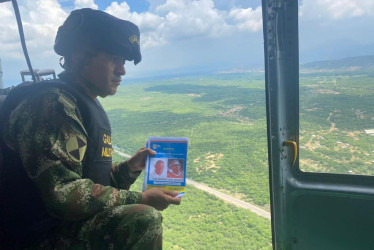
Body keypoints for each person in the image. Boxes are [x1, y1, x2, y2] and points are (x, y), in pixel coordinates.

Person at [0, 8, 180, 249]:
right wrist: (143, 198)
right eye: (113, 59)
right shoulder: (53, 105)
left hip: (64, 227)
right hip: (40, 238)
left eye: (124, 61)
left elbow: (90, 183)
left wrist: (128, 169)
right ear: (78, 58)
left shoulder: (77, 103)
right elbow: (63, 195)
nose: (122, 70)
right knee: (143, 219)